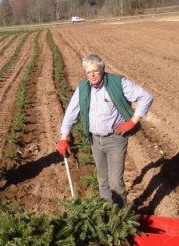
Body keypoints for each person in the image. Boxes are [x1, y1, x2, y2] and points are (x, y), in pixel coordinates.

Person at [57, 54, 153, 208]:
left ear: (102, 69)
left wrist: (132, 121)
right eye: (89, 72)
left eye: (95, 71)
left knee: (115, 181)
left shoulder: (118, 83)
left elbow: (146, 97)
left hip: (115, 139)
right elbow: (71, 113)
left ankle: (121, 216)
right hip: (95, 140)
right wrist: (63, 137)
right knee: (102, 180)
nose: (92, 75)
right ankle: (106, 214)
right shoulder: (83, 88)